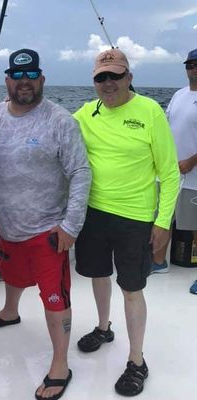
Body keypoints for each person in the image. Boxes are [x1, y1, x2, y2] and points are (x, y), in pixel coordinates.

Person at [0, 49, 91, 400]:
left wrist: (71, 226)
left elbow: (80, 172)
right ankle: (10, 312)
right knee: (11, 276)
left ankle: (61, 364)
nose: (24, 81)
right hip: (8, 226)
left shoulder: (60, 120)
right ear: (7, 80)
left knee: (54, 298)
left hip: (48, 231)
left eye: (31, 75)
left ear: (41, 79)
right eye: (17, 75)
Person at [73, 48, 180, 396]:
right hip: (94, 213)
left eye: (115, 76)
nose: (108, 83)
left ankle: (137, 360)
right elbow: (51, 130)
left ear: (129, 77)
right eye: (101, 77)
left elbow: (169, 173)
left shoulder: (150, 111)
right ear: (94, 82)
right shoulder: (85, 113)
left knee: (132, 288)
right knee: (98, 274)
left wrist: (162, 222)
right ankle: (104, 328)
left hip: (135, 217)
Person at [149, 48, 197, 291]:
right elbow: (166, 130)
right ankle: (158, 262)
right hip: (169, 174)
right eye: (190, 64)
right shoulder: (179, 95)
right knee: (163, 217)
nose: (193, 68)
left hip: (194, 177)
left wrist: (193, 160)